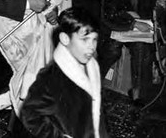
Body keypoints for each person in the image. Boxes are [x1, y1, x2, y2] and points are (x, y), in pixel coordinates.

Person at [20, 8, 108, 138]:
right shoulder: (51, 77)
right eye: (85, 39)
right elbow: (30, 115)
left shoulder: (91, 67)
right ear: (65, 39)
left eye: (94, 39)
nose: (91, 46)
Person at [99, 0, 161, 104]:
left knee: (142, 48)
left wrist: (147, 23)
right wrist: (132, 23)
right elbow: (109, 15)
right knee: (112, 48)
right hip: (114, 28)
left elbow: (152, 15)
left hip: (135, 33)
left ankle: (137, 92)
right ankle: (96, 80)